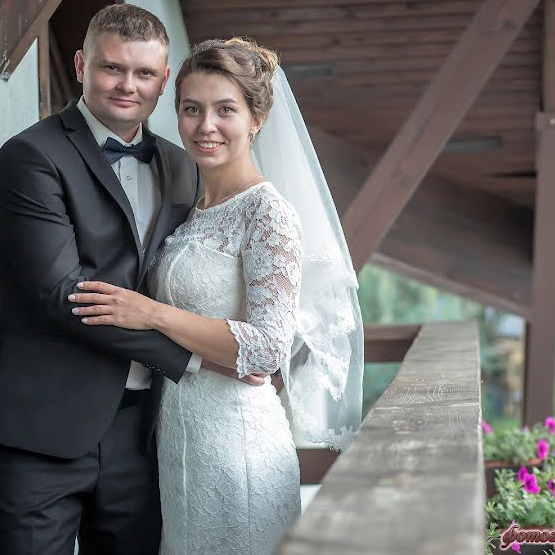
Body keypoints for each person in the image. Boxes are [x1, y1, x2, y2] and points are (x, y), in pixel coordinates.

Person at [0, 4, 262, 555]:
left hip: (146, 436)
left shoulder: (184, 168)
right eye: (112, 68)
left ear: (163, 81)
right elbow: (63, 296)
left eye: (144, 74)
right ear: (82, 64)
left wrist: (250, 342)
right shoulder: (31, 156)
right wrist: (201, 358)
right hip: (42, 434)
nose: (126, 85)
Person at [68, 37, 365, 555]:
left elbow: (268, 349)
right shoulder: (189, 207)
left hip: (239, 445)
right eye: (192, 109)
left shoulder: (267, 214)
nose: (206, 126)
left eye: (225, 109)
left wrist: (150, 313)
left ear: (255, 119)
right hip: (179, 441)